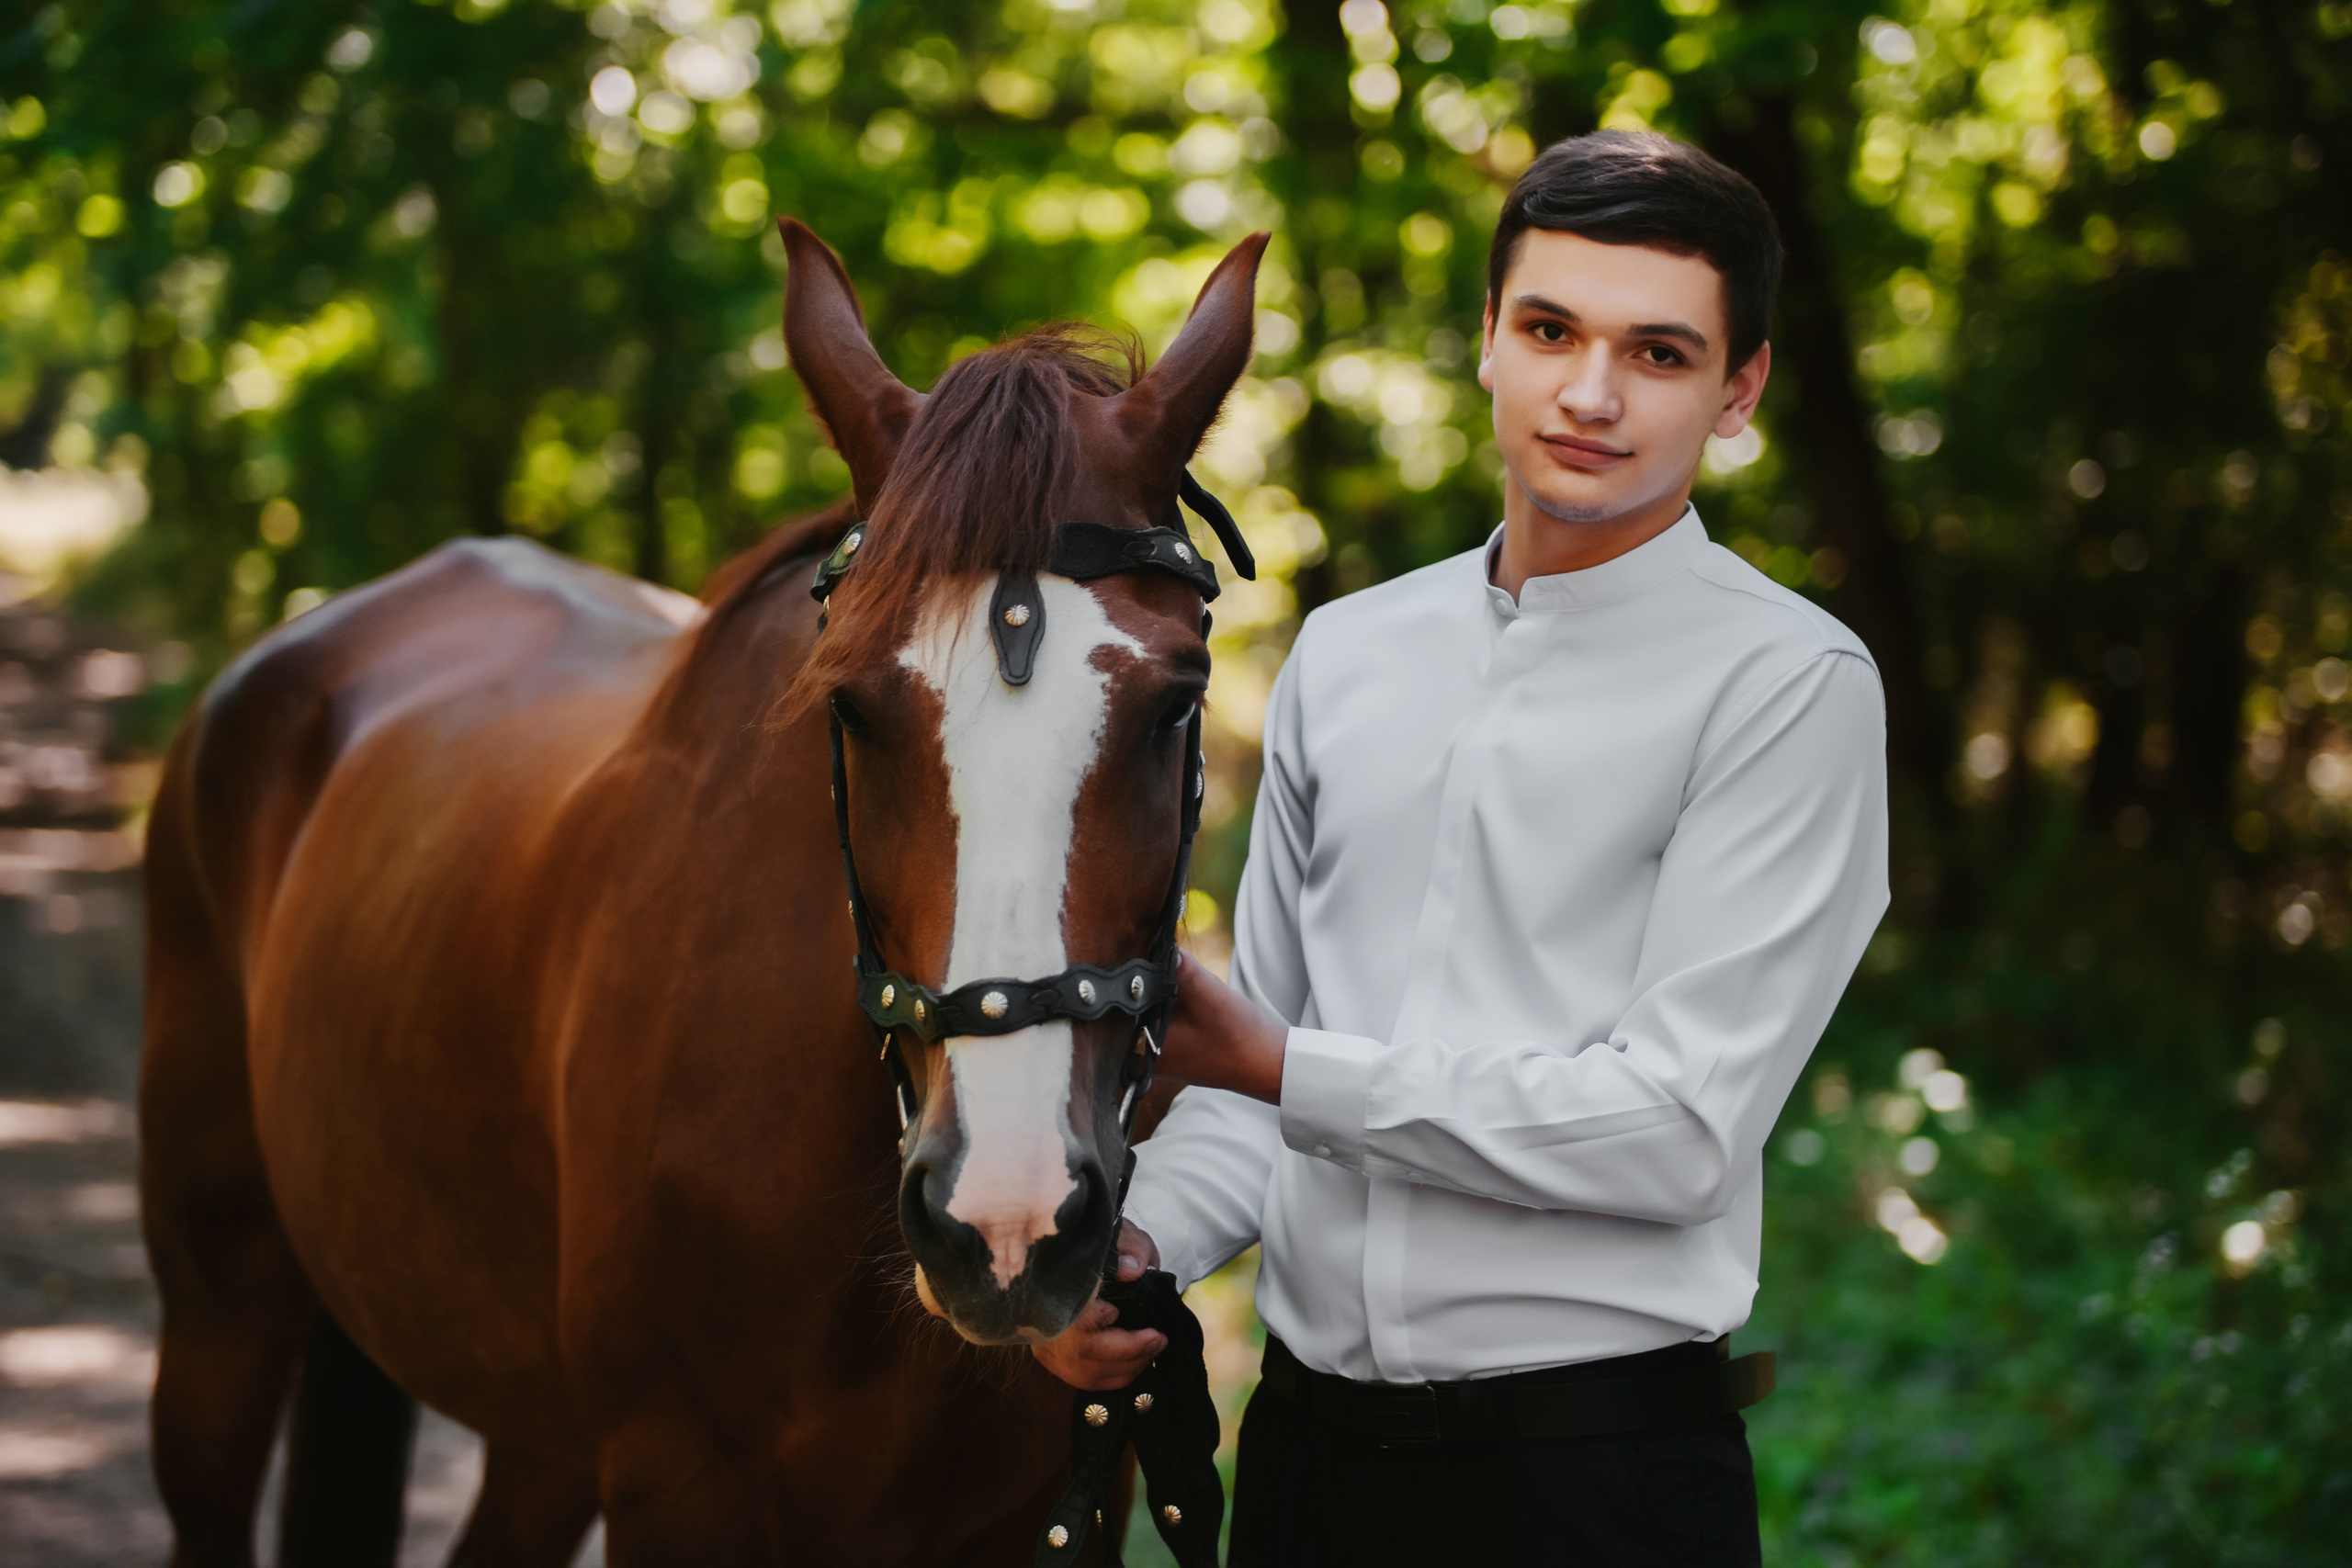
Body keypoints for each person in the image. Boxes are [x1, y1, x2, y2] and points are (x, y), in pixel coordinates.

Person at [1036, 129, 1889, 1566]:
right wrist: (1137, 1249)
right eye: (1551, 330)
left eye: (1660, 353)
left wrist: (1281, 1065)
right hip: (1310, 1473)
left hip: (1598, 1486)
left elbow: (1676, 1133)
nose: (1591, 394)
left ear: (1739, 390)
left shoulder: (1789, 683)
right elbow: (1255, 1076)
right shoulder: (1346, 652)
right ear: (1489, 337)